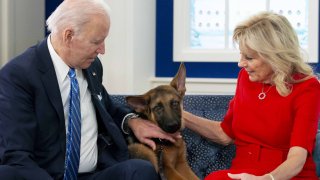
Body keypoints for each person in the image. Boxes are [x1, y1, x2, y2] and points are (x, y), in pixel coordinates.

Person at [0, 0, 178, 179]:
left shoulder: (91, 66)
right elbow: (17, 156)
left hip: (93, 174)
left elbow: (107, 107)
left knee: (141, 170)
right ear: (68, 36)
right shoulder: (18, 76)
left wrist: (132, 121)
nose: (102, 50)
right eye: (96, 42)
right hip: (45, 175)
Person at [183, 12, 320, 179]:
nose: (241, 63)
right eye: (241, 55)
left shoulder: (307, 87)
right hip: (242, 173)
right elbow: (225, 133)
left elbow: (297, 159)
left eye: (249, 57)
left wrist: (267, 179)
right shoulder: (245, 78)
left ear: (274, 56)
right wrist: (180, 115)